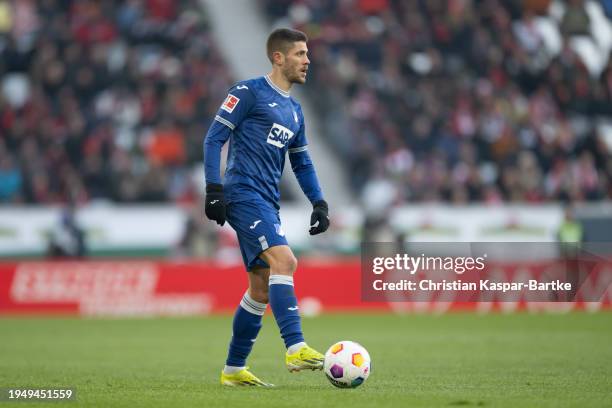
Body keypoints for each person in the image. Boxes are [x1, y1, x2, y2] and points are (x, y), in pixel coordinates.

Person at [203, 28, 330, 387]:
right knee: (285, 261)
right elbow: (214, 138)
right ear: (279, 57)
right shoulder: (248, 92)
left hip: (267, 202)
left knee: (260, 289)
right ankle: (296, 347)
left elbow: (302, 163)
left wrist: (318, 202)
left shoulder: (295, 110)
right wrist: (214, 189)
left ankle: (233, 371)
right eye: (301, 54)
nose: (308, 61)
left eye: (307, 55)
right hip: (243, 194)